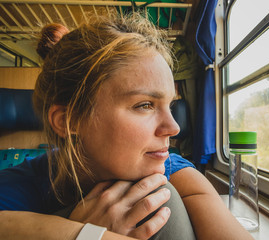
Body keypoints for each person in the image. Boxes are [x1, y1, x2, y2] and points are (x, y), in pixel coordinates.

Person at [0, 12, 254, 240]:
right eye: (145, 105)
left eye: (170, 105)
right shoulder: (16, 188)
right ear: (70, 120)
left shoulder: (169, 167)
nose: (174, 127)